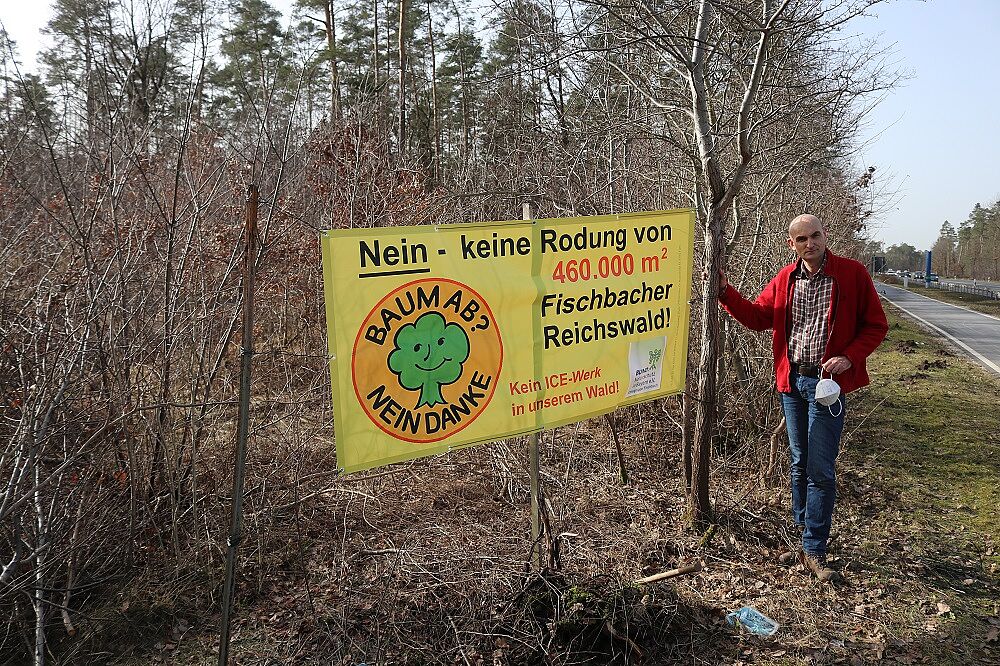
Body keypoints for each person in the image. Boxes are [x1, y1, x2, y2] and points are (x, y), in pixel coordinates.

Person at [718, 214, 888, 582]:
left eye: (815, 236)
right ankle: (803, 536)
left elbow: (876, 325)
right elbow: (758, 316)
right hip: (792, 383)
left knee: (820, 470)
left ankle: (814, 548)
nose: (810, 244)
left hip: (827, 386)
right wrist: (724, 293)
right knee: (798, 462)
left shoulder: (852, 274)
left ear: (825, 236)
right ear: (791, 244)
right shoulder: (785, 279)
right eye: (801, 239)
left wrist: (850, 356)